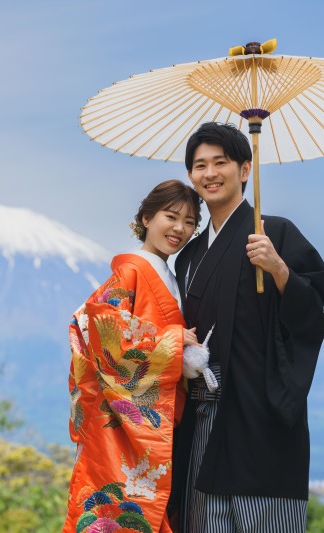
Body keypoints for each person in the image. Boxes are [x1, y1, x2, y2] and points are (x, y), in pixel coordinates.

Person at [172, 122, 324, 532]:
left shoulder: (275, 232)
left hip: (260, 416)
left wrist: (278, 268)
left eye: (220, 162)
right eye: (199, 165)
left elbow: (317, 312)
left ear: (245, 169)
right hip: (201, 415)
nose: (209, 173)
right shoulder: (188, 256)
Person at [63, 180, 201, 533]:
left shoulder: (170, 275)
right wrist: (173, 341)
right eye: (171, 217)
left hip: (160, 416)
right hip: (123, 424)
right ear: (146, 217)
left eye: (189, 222)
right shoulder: (132, 270)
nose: (179, 229)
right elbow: (102, 336)